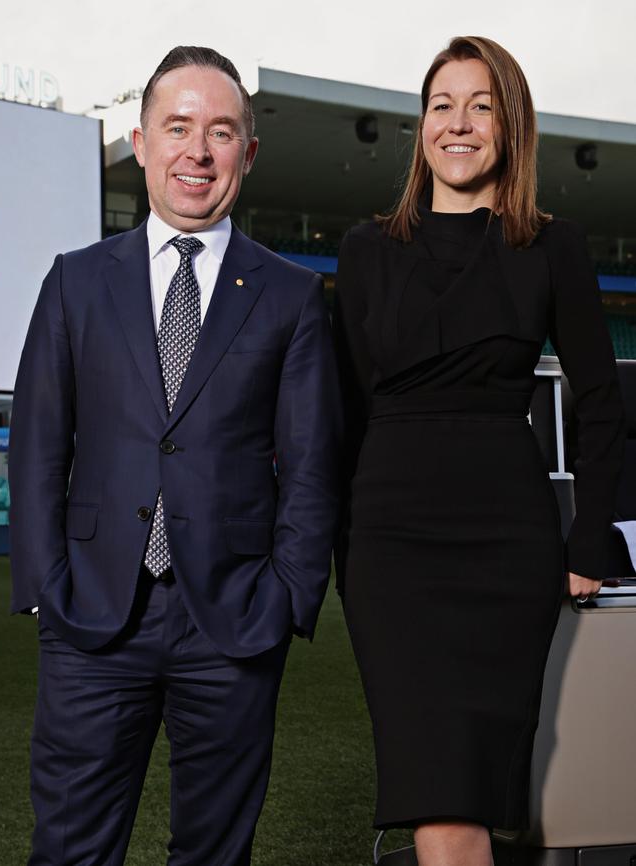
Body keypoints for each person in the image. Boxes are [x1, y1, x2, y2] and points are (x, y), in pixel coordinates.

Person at [9, 45, 341, 866]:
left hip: (232, 623)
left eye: (221, 132)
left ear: (247, 154)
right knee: (71, 851)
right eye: (179, 128)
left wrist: (288, 600)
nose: (198, 151)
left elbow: (311, 466)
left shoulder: (291, 295)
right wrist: (48, 590)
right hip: (92, 620)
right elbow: (39, 446)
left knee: (214, 855)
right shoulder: (75, 282)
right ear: (142, 140)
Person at [333, 36, 624, 866]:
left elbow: (601, 401)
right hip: (390, 555)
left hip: (507, 548)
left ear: (511, 125)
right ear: (421, 125)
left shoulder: (552, 246)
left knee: (475, 797)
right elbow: (342, 416)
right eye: (441, 105)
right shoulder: (363, 251)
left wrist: (589, 531)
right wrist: (331, 550)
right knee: (439, 798)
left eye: (481, 105)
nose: (458, 125)